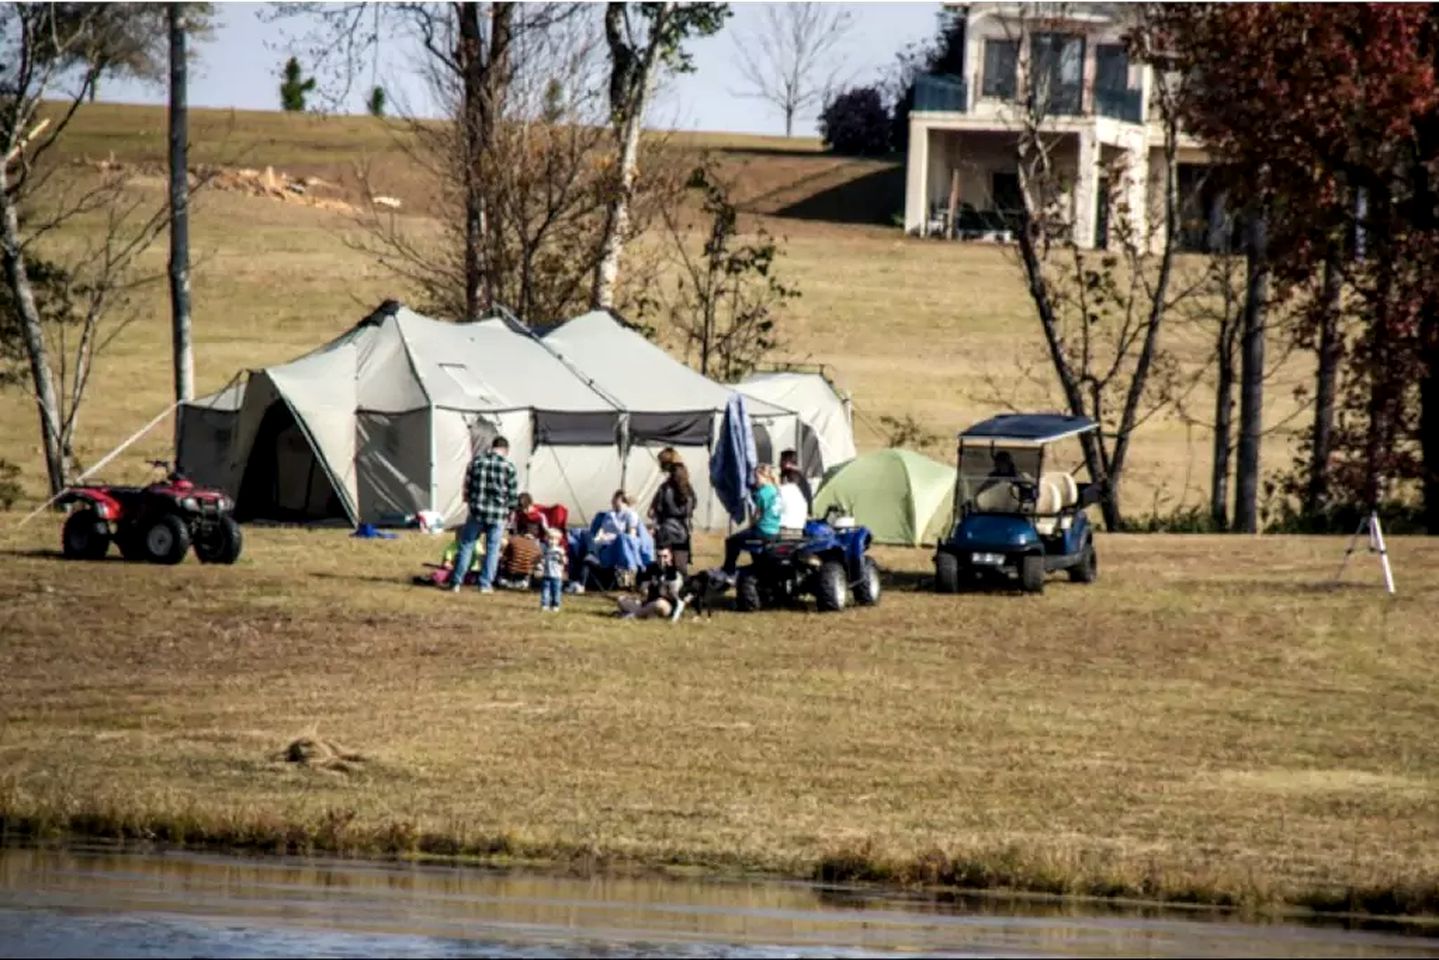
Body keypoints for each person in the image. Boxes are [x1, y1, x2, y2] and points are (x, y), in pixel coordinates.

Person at [450, 435, 518, 594]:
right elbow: (513, 496)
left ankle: (456, 582)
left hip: (476, 512)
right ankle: (485, 584)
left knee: (466, 545)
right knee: (492, 549)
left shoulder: (475, 463)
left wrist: (470, 503)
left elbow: (466, 489)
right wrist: (510, 512)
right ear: (506, 450)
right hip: (498, 514)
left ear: (492, 447)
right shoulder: (509, 467)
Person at [719, 463, 782, 579]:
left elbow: (757, 514)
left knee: (732, 541)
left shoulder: (762, 493)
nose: (756, 481)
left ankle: (728, 570)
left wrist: (752, 525)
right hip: (775, 531)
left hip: (763, 530)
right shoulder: (777, 492)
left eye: (757, 477)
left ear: (765, 477)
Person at [616, 545, 686, 620]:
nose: (661, 560)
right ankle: (646, 614)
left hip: (667, 605)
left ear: (670, 557)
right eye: (659, 556)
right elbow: (643, 588)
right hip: (648, 603)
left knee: (658, 604)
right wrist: (644, 589)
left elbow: (678, 597)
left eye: (665, 556)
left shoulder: (675, 572)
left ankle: (632, 615)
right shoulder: (651, 568)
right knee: (621, 600)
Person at [649, 460, 695, 573]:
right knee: (681, 566)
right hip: (683, 530)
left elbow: (657, 508)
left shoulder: (665, 488)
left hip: (666, 530)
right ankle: (681, 586)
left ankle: (664, 586)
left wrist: (655, 525)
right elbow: (692, 507)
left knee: (665, 565)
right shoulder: (689, 489)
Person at [499, 492, 548, 588]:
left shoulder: (539, 516)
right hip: (519, 540)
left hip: (535, 541)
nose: (524, 511)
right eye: (522, 509)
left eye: (526, 508)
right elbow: (512, 529)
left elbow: (546, 532)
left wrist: (534, 537)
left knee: (531, 550)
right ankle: (509, 576)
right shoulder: (517, 515)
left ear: (530, 505)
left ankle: (525, 577)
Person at [537, 527, 567, 613]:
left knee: (556, 592)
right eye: (550, 538)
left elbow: (564, 561)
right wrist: (540, 564)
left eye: (554, 539)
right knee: (545, 590)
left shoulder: (559, 550)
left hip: (556, 576)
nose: (552, 541)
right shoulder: (545, 550)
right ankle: (544, 604)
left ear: (558, 540)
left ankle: (555, 605)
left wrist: (562, 558)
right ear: (546, 538)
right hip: (546, 574)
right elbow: (541, 560)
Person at [779, 449, 813, 513]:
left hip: (797, 512)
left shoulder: (791, 475)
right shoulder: (798, 474)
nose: (779, 464)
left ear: (787, 462)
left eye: (781, 460)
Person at [777, 466, 809, 533]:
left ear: (785, 478)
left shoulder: (782, 490)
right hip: (799, 526)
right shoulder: (798, 491)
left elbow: (774, 508)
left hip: (785, 527)